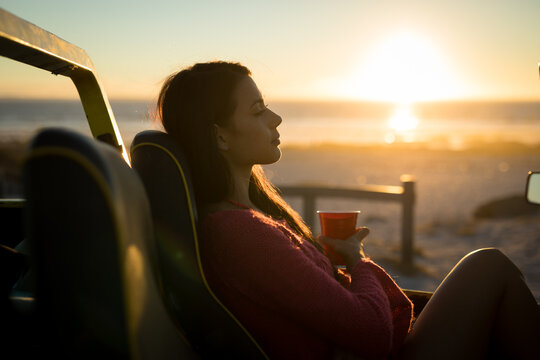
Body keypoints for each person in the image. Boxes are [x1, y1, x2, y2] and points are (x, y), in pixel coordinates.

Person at [157, 61, 540, 359]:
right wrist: (356, 262)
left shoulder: (243, 220)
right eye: (258, 111)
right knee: (488, 266)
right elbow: (372, 335)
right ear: (219, 134)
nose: (275, 119)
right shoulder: (241, 233)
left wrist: (324, 267)